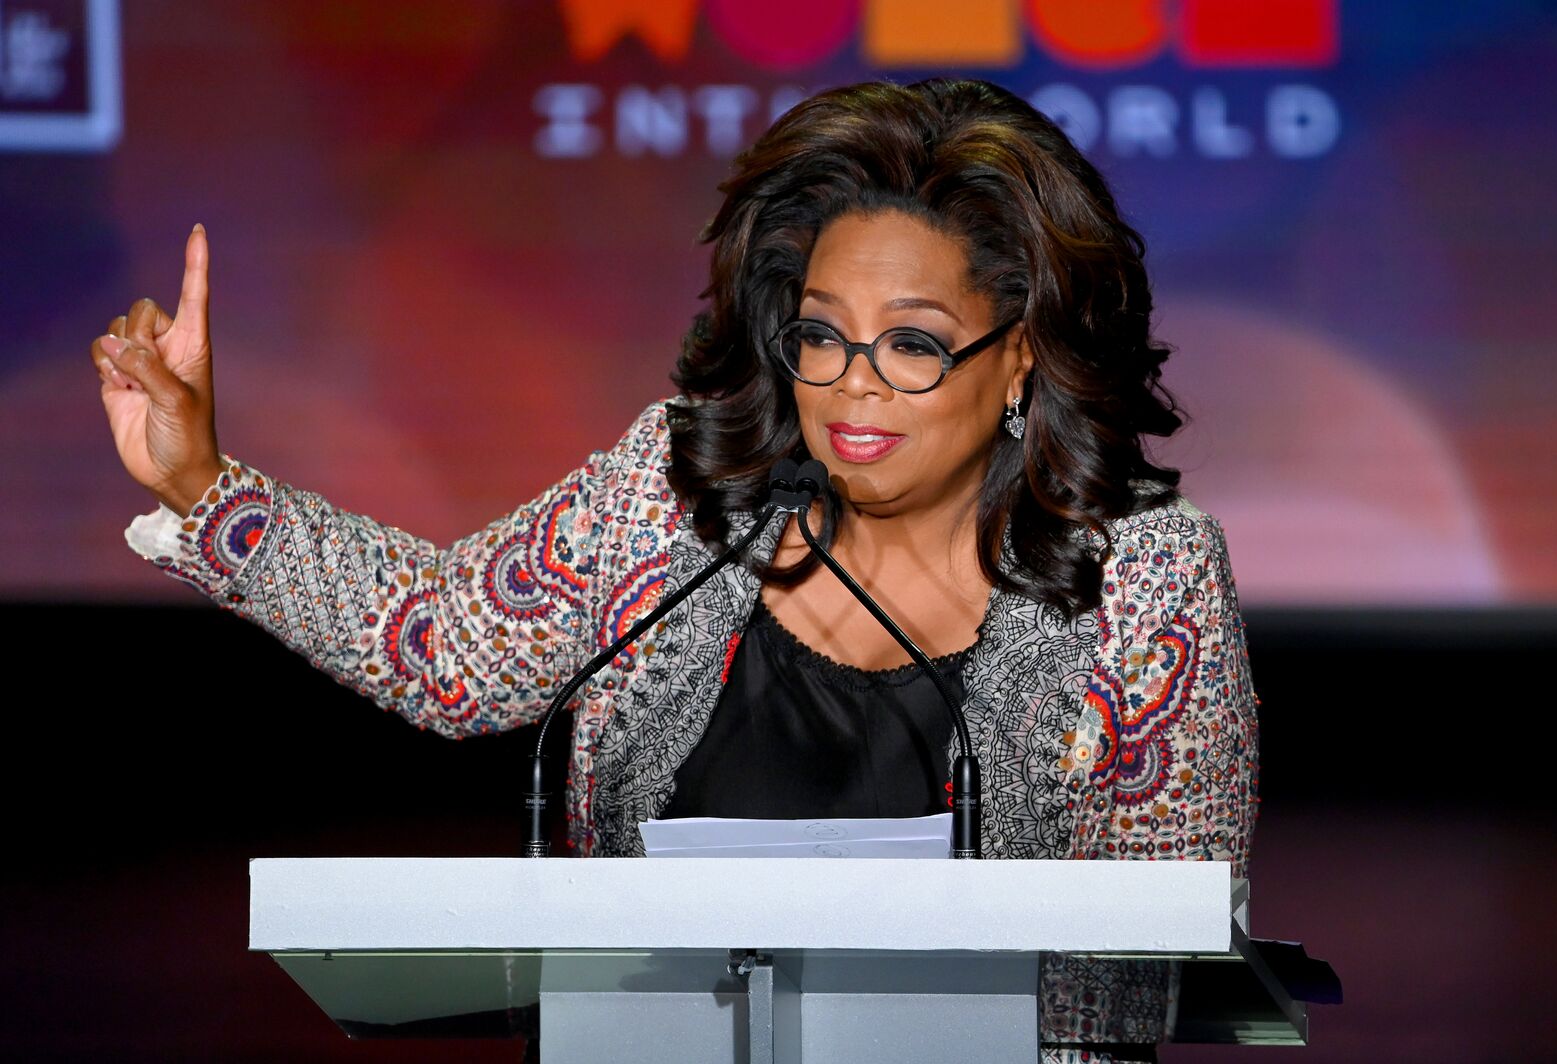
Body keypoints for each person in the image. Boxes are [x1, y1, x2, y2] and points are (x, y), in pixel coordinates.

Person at [91, 78, 1259, 1064]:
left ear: (1019, 358)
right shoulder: (683, 495)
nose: (850, 383)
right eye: (820, 332)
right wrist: (201, 483)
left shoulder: (1141, 575)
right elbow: (442, 647)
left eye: (910, 342)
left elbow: (1167, 941)